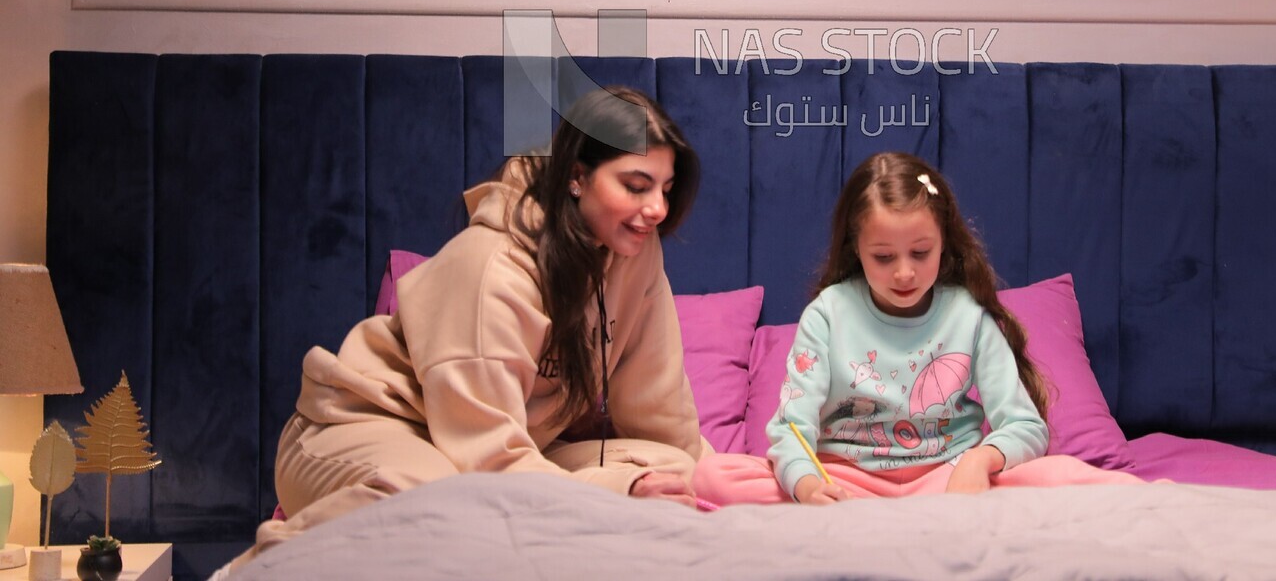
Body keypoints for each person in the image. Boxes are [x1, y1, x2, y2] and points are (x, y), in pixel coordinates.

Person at [235, 85, 706, 567]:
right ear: (576, 177)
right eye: (636, 185)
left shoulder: (635, 252)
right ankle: (257, 567)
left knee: (672, 472)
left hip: (490, 447)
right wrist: (620, 491)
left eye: (665, 189)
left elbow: (655, 405)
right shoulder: (492, 268)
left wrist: (703, 472)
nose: (657, 210)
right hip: (371, 427)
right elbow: (488, 461)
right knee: (441, 506)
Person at [693, 151, 1144, 504]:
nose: (904, 274)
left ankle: (1162, 499)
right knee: (713, 476)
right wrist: (810, 486)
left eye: (921, 253)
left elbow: (1025, 426)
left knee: (1065, 475)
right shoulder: (828, 313)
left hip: (948, 479)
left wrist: (978, 462)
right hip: (847, 484)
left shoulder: (967, 315)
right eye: (884, 257)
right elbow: (793, 427)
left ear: (944, 244)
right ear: (857, 249)